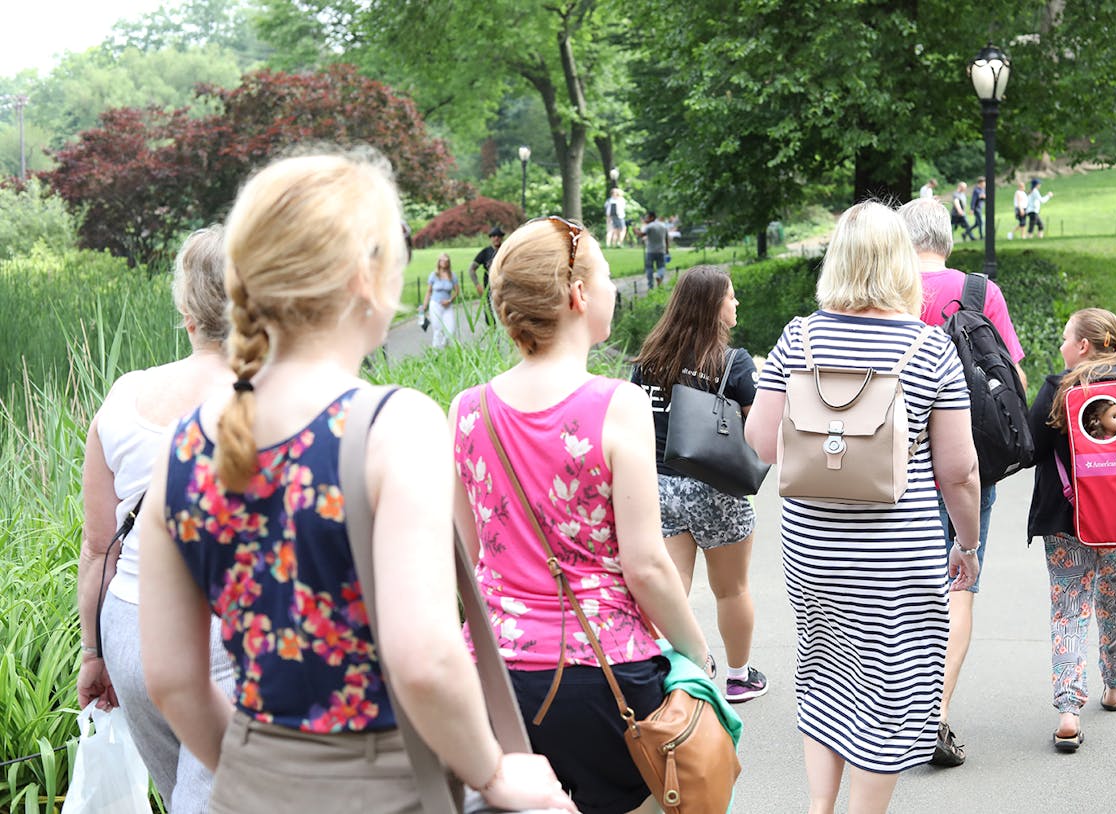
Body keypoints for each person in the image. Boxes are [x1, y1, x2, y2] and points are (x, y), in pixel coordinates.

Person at [136, 151, 575, 814]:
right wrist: (494, 773)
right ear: (365, 278)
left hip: (244, 789)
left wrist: (267, 771)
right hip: (386, 786)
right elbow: (423, 660)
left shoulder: (181, 449)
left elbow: (170, 680)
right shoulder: (393, 426)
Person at [449, 216, 712, 814]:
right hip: (604, 675)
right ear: (577, 295)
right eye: (605, 275)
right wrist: (697, 654)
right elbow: (645, 565)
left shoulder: (467, 411)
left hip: (493, 676)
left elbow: (473, 558)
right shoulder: (617, 404)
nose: (615, 287)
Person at [744, 201, 981, 814]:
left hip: (812, 549)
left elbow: (761, 441)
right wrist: (968, 543)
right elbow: (959, 470)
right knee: (896, 691)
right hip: (899, 556)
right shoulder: (931, 349)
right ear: (900, 263)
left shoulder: (800, 337)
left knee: (823, 674)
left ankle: (820, 806)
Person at [77, 226, 237, 814]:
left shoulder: (124, 395)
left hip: (128, 630)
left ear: (185, 307)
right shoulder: (275, 402)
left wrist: (94, 654)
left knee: (181, 798)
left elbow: (99, 549)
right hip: (221, 637)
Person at [898, 197, 1026, 768]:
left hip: (894, 467)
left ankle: (890, 710)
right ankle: (937, 714)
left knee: (900, 588)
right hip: (968, 460)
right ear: (947, 238)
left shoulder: (885, 288)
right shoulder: (980, 292)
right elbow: (1012, 374)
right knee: (959, 579)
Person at [630, 265, 768, 704]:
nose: (737, 302)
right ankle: (739, 677)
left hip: (661, 488)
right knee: (732, 589)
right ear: (713, 306)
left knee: (672, 588)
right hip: (717, 490)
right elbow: (759, 427)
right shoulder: (733, 362)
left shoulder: (649, 357)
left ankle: (676, 669)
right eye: (731, 296)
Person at [1026, 308, 1116, 753]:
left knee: (1069, 608)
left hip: (1066, 522)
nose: (1062, 347)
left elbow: (1029, 448)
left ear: (1083, 346)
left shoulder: (1057, 389)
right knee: (1114, 599)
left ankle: (1068, 711)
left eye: (1067, 338)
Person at [420, 252, 459, 349]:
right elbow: (429, 291)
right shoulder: (434, 275)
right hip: (435, 305)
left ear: (448, 263)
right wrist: (424, 306)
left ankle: (444, 347)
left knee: (451, 330)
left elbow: (457, 291)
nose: (444, 262)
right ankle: (436, 352)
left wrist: (450, 300)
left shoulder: (452, 276)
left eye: (446, 261)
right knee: (437, 330)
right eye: (442, 260)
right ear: (439, 262)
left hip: (447, 306)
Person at [472, 225, 506, 325]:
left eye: (499, 236)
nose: (496, 238)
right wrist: (477, 285)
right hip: (489, 290)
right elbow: (471, 269)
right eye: (494, 236)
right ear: (491, 238)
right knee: (491, 319)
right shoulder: (485, 252)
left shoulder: (506, 250)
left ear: (502, 237)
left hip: (505, 290)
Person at [639, 211, 670, 289]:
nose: (646, 219)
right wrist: (667, 249)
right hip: (661, 250)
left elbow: (641, 234)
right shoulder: (663, 225)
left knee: (649, 268)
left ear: (652, 217)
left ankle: (650, 286)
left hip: (650, 251)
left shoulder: (649, 226)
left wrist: (635, 230)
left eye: (647, 217)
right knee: (661, 266)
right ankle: (659, 276)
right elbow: (666, 238)